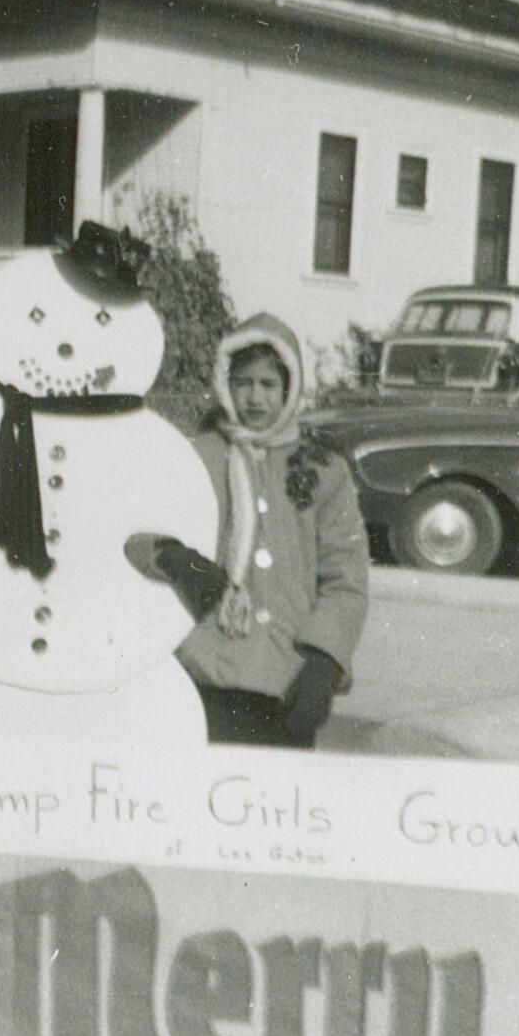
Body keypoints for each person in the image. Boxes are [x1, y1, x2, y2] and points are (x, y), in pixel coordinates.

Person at [176, 314, 370, 748]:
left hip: (288, 677)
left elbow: (345, 577)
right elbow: (145, 531)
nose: (255, 397)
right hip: (205, 671)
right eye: (243, 383)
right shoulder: (199, 455)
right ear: (226, 385)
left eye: (268, 384)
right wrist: (172, 556)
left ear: (289, 388)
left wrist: (322, 661)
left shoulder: (323, 468)